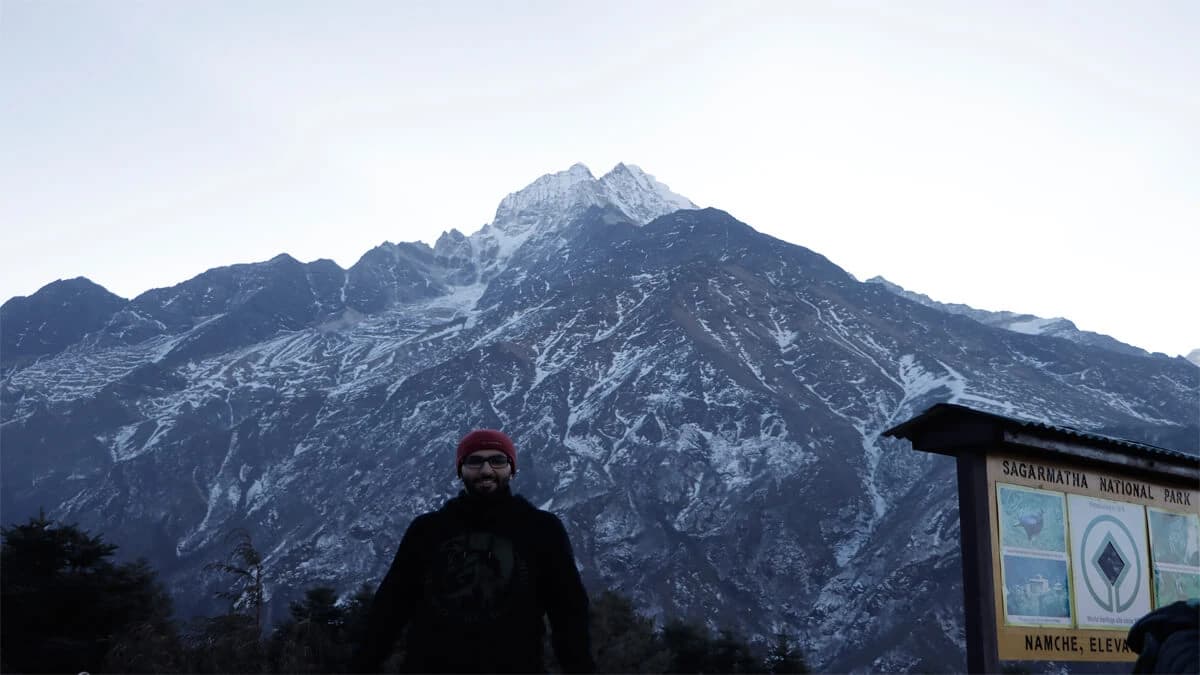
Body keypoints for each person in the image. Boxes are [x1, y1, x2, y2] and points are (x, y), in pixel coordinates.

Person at [351, 429, 594, 673]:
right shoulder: (427, 530)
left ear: (512, 469)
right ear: (460, 470)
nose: (487, 470)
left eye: (498, 460)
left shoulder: (542, 529)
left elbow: (569, 614)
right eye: (475, 461)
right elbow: (390, 609)